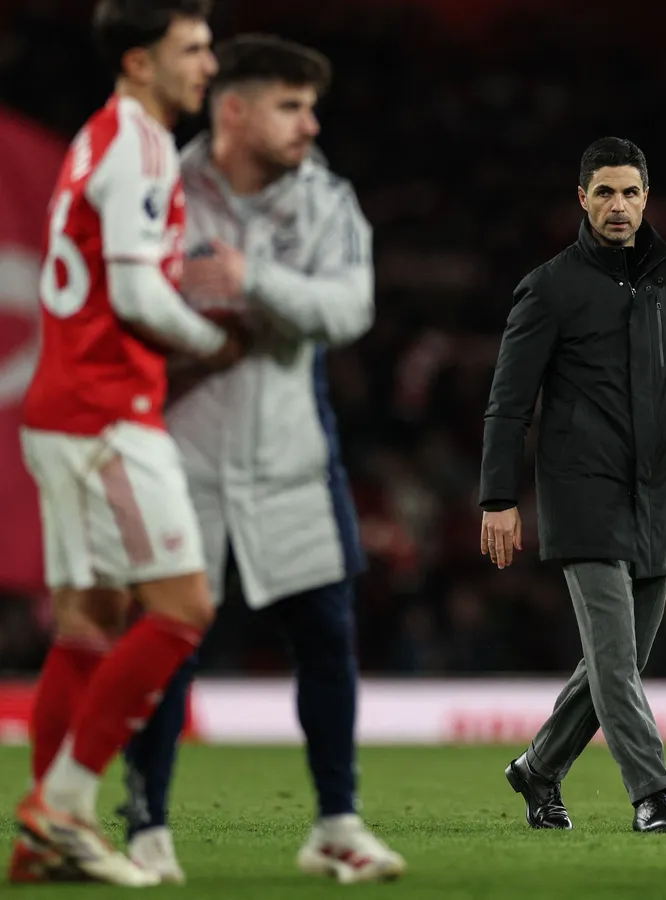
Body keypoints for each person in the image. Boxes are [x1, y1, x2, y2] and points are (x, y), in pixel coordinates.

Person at [115, 34, 405, 885]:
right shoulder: (158, 184)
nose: (309, 125)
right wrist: (212, 325)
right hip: (178, 459)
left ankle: (337, 823)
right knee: (164, 644)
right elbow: (128, 304)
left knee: (327, 638)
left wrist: (252, 279)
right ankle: (145, 826)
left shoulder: (329, 201)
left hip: (292, 466)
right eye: (291, 105)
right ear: (233, 109)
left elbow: (351, 308)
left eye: (311, 107)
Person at [479, 137, 666, 834]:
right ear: (581, 199)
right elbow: (508, 400)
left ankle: (539, 768)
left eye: (630, 192)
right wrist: (497, 497)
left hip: (657, 489)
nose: (618, 206)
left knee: (621, 661)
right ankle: (651, 796)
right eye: (604, 192)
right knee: (615, 661)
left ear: (647, 199)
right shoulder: (549, 287)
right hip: (582, 491)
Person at [9, 0, 236, 887]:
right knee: (182, 609)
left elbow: (120, 270)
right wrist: (213, 337)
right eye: (193, 48)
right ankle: (62, 805)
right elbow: (139, 301)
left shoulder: (95, 135)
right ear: (141, 62)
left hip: (58, 410)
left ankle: (41, 844)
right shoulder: (141, 144)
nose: (209, 65)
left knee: (89, 624)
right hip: (109, 413)